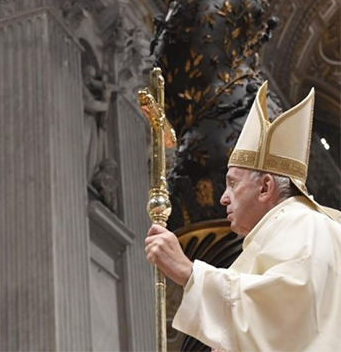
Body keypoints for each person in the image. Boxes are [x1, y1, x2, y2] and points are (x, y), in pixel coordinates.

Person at [145, 81, 341, 351]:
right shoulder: (288, 228)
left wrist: (189, 272)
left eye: (233, 184)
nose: (223, 197)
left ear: (265, 187)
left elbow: (282, 312)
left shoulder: (303, 223)